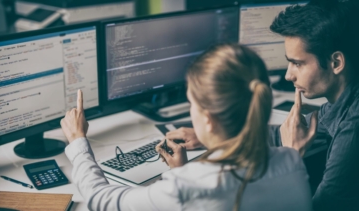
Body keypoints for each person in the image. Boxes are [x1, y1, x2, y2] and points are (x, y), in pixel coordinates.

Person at [60, 43, 312, 211]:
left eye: (192, 102)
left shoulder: (187, 186)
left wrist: (78, 141)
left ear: (209, 119)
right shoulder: (291, 160)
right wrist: (179, 172)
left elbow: (100, 200)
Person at [169, 1, 359, 211]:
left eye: (297, 63)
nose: (288, 75)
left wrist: (291, 155)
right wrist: (212, 135)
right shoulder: (343, 102)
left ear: (336, 63)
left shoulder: (353, 129)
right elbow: (284, 133)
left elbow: (319, 208)